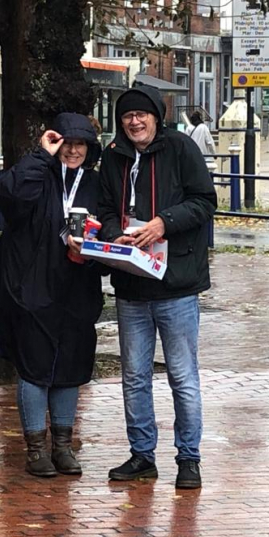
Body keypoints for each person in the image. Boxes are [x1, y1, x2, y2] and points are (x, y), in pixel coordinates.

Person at [97, 86, 217, 489]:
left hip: (177, 285)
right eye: (127, 115)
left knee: (183, 376)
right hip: (131, 286)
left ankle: (189, 459)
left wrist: (162, 223)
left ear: (155, 117)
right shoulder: (112, 155)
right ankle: (142, 455)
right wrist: (116, 235)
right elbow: (103, 209)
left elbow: (204, 201)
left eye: (141, 115)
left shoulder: (181, 148)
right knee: (134, 376)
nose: (134, 121)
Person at [0, 113, 104, 477]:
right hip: (30, 287)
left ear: (90, 149)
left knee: (69, 368)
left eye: (80, 144)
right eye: (66, 143)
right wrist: (42, 155)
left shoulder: (96, 184)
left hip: (77, 287)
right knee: (35, 367)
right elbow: (8, 193)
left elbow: (109, 231)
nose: (72, 150)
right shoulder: (39, 175)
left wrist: (91, 253)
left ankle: (63, 445)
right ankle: (36, 449)